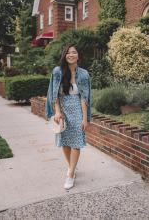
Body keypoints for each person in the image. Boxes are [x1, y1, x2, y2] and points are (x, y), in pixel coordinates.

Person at [45, 44, 91, 190]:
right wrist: (57, 112)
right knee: (64, 140)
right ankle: (71, 166)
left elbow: (85, 98)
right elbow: (54, 94)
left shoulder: (83, 74)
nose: (71, 55)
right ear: (64, 56)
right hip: (63, 108)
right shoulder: (58, 72)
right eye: (68, 53)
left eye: (74, 52)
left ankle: (70, 174)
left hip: (77, 108)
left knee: (77, 141)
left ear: (78, 56)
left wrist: (84, 119)